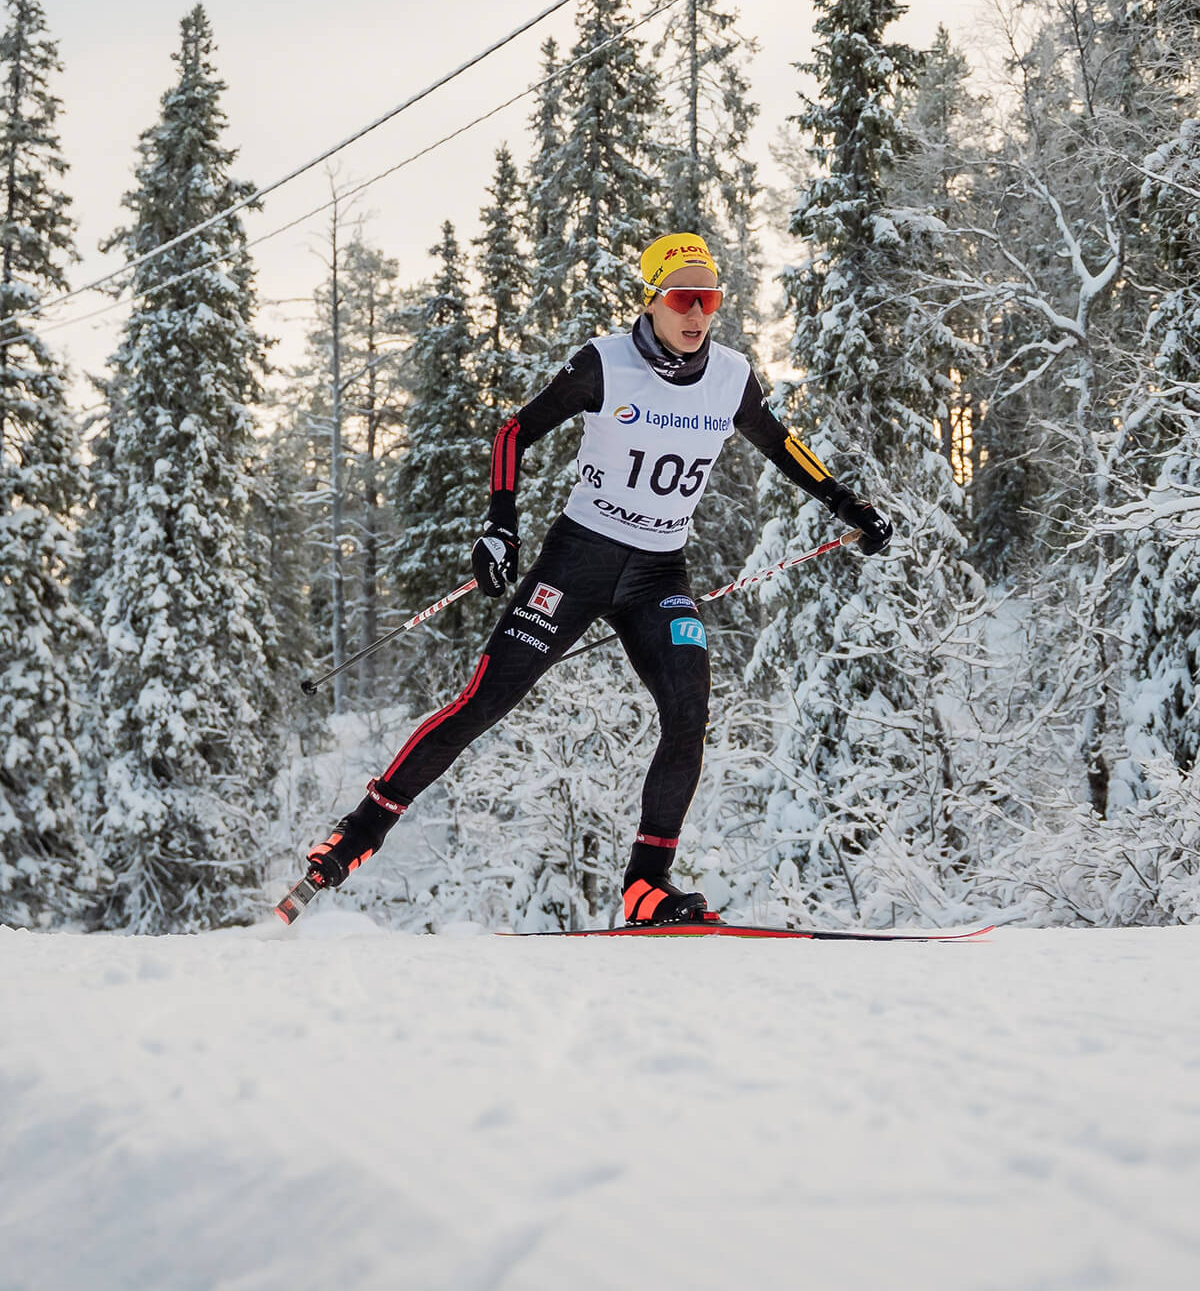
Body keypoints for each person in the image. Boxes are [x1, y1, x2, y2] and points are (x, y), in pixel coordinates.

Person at [306, 231, 892, 925]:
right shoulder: (605, 364)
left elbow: (782, 445)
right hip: (577, 562)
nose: (697, 313)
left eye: (710, 298)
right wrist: (499, 523)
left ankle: (647, 884)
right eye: (683, 298)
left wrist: (846, 502)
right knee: (483, 703)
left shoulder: (732, 376)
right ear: (653, 300)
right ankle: (359, 832)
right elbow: (511, 432)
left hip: (658, 573)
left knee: (689, 712)